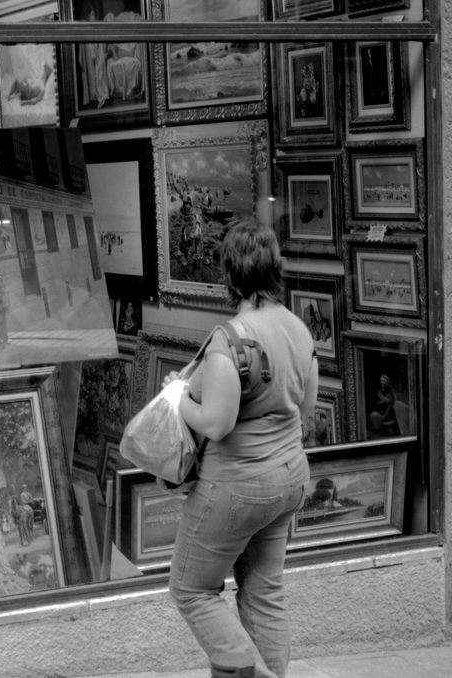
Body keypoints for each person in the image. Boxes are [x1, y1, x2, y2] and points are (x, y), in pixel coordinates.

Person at [164, 220, 318, 678]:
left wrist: (178, 396)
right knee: (264, 592)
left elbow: (217, 421)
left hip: (237, 484)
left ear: (228, 274)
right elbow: (305, 406)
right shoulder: (299, 328)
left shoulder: (228, 340)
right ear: (275, 268)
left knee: (191, 590)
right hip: (290, 476)